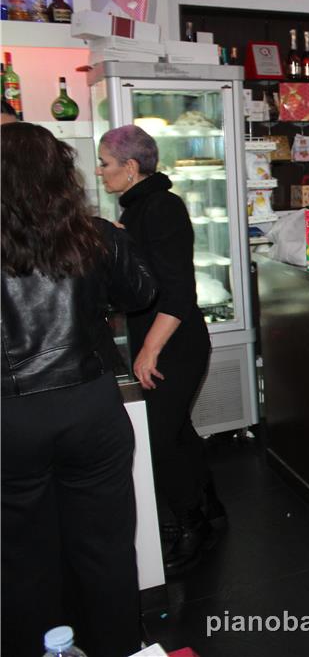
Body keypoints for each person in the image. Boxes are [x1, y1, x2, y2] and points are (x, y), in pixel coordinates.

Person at [2, 122, 157, 657]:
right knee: (104, 547)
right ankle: (115, 645)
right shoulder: (94, 235)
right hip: (87, 405)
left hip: (11, 417)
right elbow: (141, 292)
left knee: (19, 555)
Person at [97, 125, 223, 575]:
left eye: (105, 163)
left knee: (158, 436)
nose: (100, 171)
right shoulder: (138, 208)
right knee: (177, 430)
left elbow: (178, 292)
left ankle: (194, 526)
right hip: (164, 339)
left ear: (131, 167)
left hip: (174, 343)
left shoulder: (161, 207)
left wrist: (149, 350)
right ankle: (209, 507)